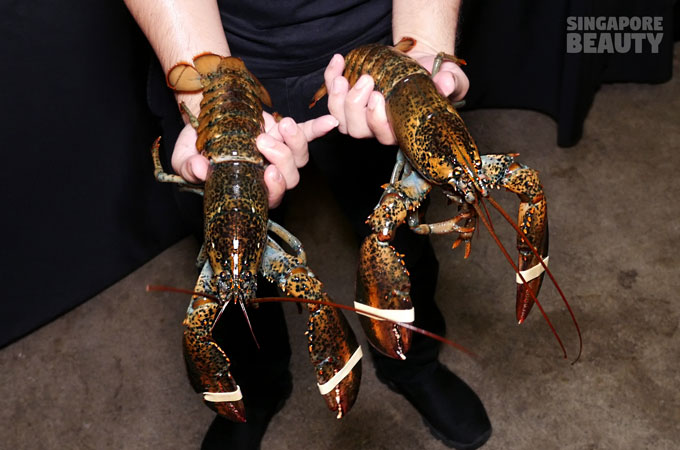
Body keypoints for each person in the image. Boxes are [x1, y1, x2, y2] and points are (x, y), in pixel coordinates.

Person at [124, 1, 491, 449]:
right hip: (209, 37)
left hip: (377, 48)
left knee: (399, 231)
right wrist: (203, 108)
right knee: (233, 286)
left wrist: (428, 45)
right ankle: (253, 393)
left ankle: (414, 363)